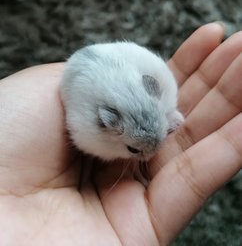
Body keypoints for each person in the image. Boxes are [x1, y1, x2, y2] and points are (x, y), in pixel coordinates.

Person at [0, 22, 241, 245]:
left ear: (154, 89)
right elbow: (82, 141)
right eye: (134, 150)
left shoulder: (156, 79)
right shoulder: (90, 127)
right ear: (106, 125)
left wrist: (168, 116)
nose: (149, 156)